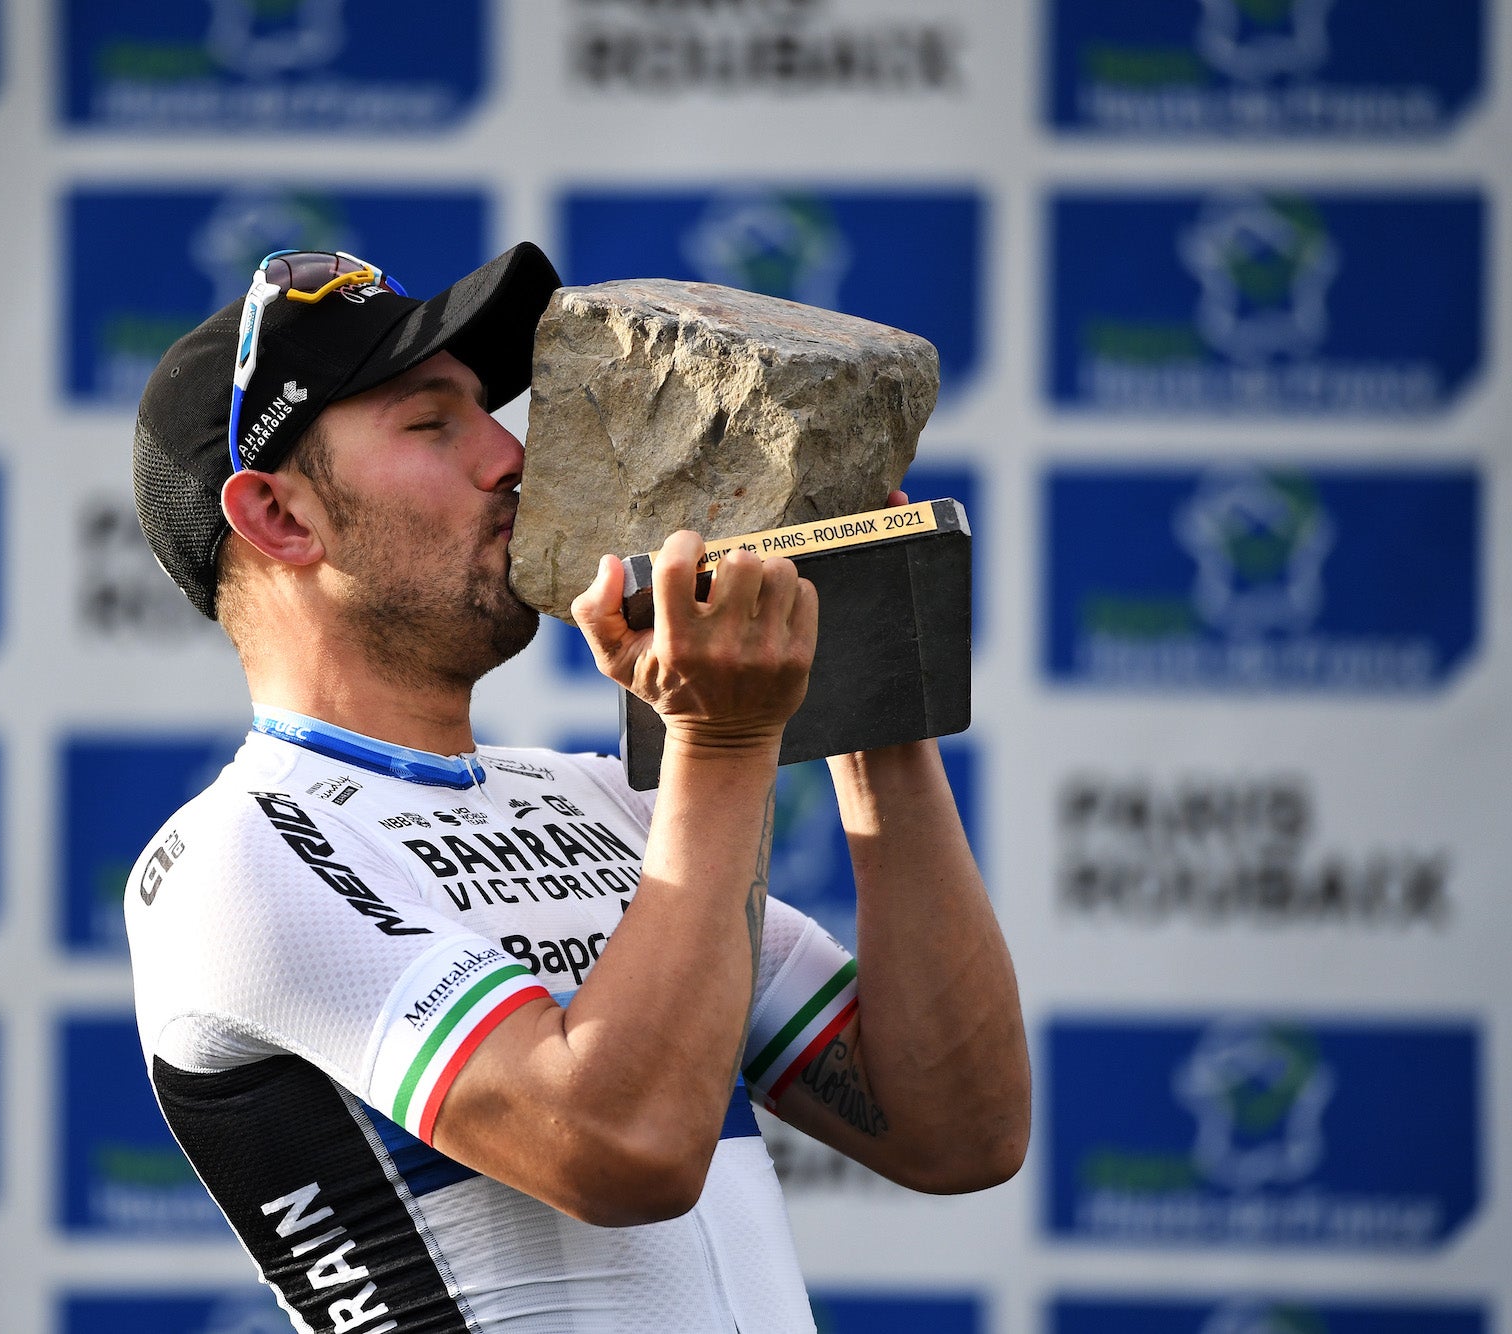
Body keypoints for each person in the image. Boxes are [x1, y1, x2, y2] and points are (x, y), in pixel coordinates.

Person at [126, 243, 1029, 1333]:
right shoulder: (239, 857)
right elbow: (621, 1147)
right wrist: (719, 738)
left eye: (488, 410)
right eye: (432, 423)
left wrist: (866, 691)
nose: (509, 455)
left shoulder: (607, 799)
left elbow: (958, 1130)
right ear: (280, 517)